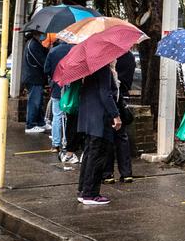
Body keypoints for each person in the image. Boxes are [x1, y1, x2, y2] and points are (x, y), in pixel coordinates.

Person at [75, 63, 122, 205]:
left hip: (89, 118)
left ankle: (83, 190)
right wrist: (116, 115)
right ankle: (91, 194)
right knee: (97, 156)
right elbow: (105, 94)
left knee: (89, 154)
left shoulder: (89, 69)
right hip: (100, 120)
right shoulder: (103, 69)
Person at [43, 37, 81, 166]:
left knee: (57, 116)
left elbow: (46, 69)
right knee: (70, 118)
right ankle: (68, 144)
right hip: (71, 90)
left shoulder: (53, 51)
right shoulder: (76, 50)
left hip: (56, 87)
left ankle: (56, 144)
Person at [104, 51, 137, 184]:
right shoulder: (129, 56)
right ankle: (126, 172)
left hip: (111, 104)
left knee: (108, 140)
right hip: (122, 100)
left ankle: (107, 174)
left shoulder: (107, 62)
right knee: (122, 138)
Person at [23, 32, 48, 133]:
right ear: (36, 34)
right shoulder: (33, 45)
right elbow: (42, 61)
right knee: (35, 102)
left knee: (39, 101)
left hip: (36, 78)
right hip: (34, 78)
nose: (44, 35)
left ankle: (40, 122)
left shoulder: (34, 44)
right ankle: (30, 125)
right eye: (42, 33)